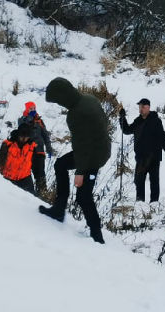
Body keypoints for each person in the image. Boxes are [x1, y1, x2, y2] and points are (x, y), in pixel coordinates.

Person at [38, 77, 112, 244]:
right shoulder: (88, 99)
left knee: (83, 196)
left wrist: (80, 172)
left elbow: (83, 146)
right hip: (99, 148)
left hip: (94, 155)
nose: (59, 105)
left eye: (58, 101)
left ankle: (97, 237)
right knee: (61, 165)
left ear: (63, 96)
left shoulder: (76, 114)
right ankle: (58, 209)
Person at [118, 98, 165, 203]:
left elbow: (162, 138)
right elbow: (126, 130)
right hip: (141, 158)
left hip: (154, 158)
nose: (141, 109)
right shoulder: (137, 121)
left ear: (148, 107)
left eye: (143, 107)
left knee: (154, 183)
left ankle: (154, 204)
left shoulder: (156, 121)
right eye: (140, 107)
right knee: (139, 182)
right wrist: (122, 118)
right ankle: (140, 205)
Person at [17, 101, 53, 194]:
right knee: (26, 173)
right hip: (27, 152)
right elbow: (21, 133)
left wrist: (49, 148)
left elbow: (45, 135)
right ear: (26, 109)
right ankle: (28, 193)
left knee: (40, 175)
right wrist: (29, 120)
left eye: (34, 108)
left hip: (39, 151)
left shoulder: (39, 121)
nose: (33, 110)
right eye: (31, 108)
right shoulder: (22, 120)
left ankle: (42, 193)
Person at [0, 128, 37, 194]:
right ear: (18, 135)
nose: (24, 139)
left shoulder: (32, 147)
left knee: (30, 200)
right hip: (7, 178)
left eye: (26, 137)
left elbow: (35, 164)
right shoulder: (8, 145)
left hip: (25, 178)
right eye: (22, 136)